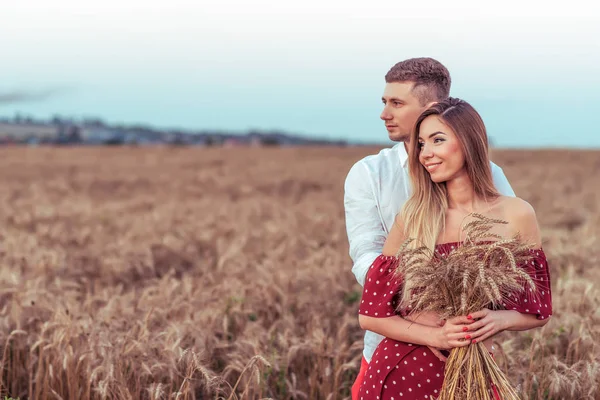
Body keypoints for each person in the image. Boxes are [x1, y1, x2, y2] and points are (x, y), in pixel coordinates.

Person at [356, 97, 553, 399]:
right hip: (403, 376)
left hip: (475, 374)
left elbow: (539, 309)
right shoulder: (413, 216)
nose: (426, 154)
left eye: (437, 140)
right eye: (421, 144)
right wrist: (436, 335)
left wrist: (498, 320)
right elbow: (370, 315)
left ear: (469, 142)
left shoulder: (517, 214)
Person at [343, 57, 516, 399]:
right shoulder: (369, 173)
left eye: (397, 103)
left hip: (467, 348)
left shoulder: (490, 174)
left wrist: (469, 319)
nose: (384, 113)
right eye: (384, 102)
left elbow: (504, 258)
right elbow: (366, 256)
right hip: (391, 343)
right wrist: (423, 314)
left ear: (433, 108)